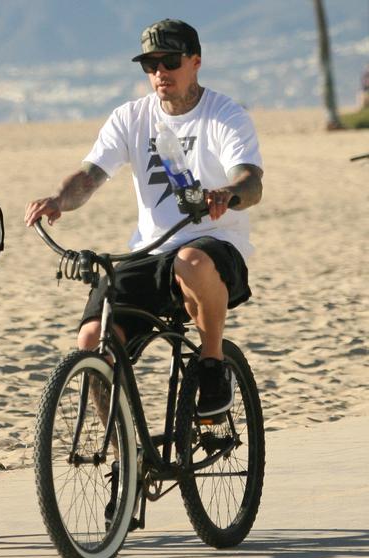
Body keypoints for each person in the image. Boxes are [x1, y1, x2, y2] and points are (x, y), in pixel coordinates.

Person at [25, 19, 264, 418]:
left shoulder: (225, 115)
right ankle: (128, 459)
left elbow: (251, 181)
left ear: (195, 61)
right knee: (92, 341)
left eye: (169, 61)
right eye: (149, 65)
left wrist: (229, 194)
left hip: (215, 244)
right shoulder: (131, 117)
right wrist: (58, 200)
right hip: (152, 250)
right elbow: (89, 175)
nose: (159, 73)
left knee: (191, 259)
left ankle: (211, 363)